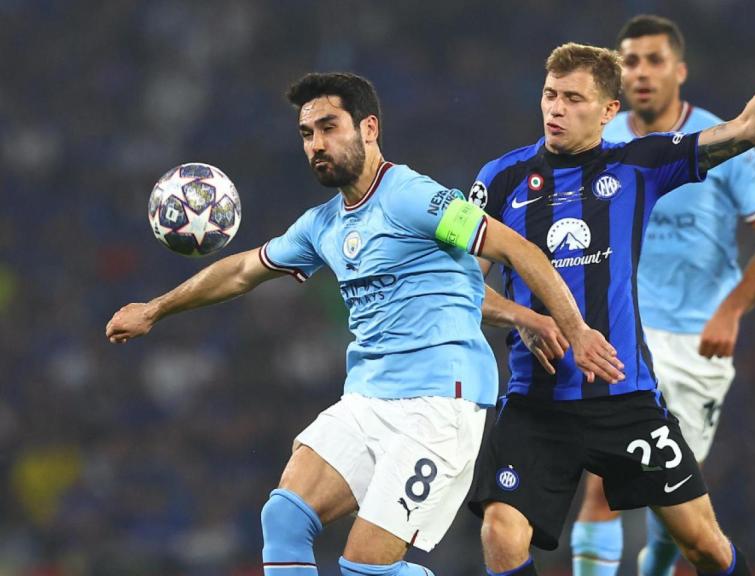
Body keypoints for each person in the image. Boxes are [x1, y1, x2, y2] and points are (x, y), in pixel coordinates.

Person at [105, 72, 623, 576]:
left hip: (439, 405)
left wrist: (574, 329)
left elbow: (515, 248)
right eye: (307, 134)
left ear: (368, 128)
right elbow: (242, 271)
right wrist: (155, 308)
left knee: (362, 567)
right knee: (283, 516)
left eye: (329, 127)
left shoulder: (413, 197)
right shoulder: (322, 225)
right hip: (368, 399)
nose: (316, 145)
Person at [465, 8, 755, 576]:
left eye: (574, 99)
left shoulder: (638, 164)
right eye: (550, 94)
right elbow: (461, 289)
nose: (556, 108)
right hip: (536, 405)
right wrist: (524, 320)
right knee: (501, 534)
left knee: (703, 545)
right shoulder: (500, 178)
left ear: (608, 111)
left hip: (624, 399)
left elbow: (747, 128)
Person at [570, 15, 755, 576]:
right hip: (622, 339)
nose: (640, 72)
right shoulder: (600, 140)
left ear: (680, 70)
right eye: (629, 61)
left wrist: (732, 308)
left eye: (653, 60)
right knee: (600, 486)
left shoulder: (719, 140)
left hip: (696, 346)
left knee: (674, 508)